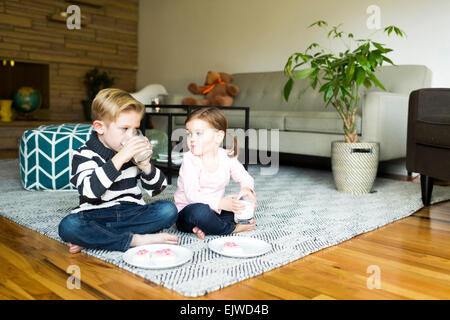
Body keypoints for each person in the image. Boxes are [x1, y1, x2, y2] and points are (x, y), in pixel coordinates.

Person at [58, 88, 178, 253]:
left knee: (168, 210)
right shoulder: (83, 154)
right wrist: (120, 158)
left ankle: (99, 239)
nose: (131, 135)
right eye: (124, 129)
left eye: (135, 129)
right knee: (69, 226)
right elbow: (90, 192)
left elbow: (157, 190)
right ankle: (136, 239)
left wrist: (145, 166)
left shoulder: (133, 155)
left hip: (132, 211)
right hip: (96, 215)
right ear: (100, 128)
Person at [174, 107, 257, 239]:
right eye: (189, 133)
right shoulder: (189, 159)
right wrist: (220, 203)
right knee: (199, 213)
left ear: (218, 136)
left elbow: (245, 177)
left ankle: (207, 227)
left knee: (236, 206)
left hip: (214, 210)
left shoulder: (226, 156)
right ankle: (232, 229)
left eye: (198, 133)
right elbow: (192, 196)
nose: (192, 139)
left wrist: (247, 191)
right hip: (188, 211)